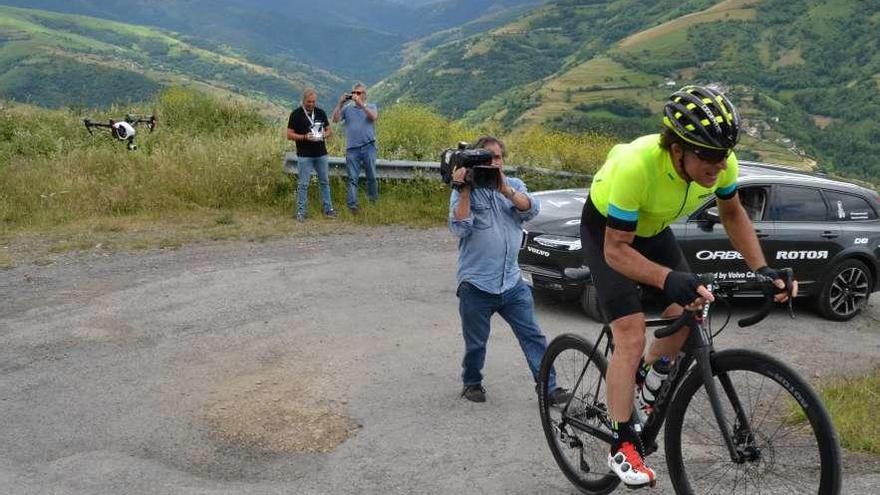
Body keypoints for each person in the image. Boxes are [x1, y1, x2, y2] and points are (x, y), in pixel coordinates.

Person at [579, 85, 797, 487]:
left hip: (654, 229)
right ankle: (621, 442)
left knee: (689, 307)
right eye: (708, 157)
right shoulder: (636, 166)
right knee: (628, 336)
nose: (717, 167)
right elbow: (616, 251)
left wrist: (762, 269)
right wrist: (665, 278)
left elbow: (732, 214)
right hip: (608, 234)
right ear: (677, 148)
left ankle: (646, 378)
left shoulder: (721, 164)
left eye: (723, 156)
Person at [449, 136, 569, 405]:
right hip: (476, 284)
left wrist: (505, 190)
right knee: (476, 342)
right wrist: (465, 191)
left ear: (504, 160)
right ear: (476, 161)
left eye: (498, 157)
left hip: (512, 281)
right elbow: (459, 227)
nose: (493, 162)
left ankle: (548, 389)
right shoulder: (464, 189)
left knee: (533, 335)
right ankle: (472, 383)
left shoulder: (514, 185)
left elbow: (531, 210)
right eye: (486, 157)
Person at [287, 88, 336, 221]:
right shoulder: (295, 114)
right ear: (303, 101)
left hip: (321, 153)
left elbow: (329, 130)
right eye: (308, 102)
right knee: (303, 184)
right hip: (304, 155)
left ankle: (328, 209)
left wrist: (322, 135)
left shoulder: (320, 112)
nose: (311, 104)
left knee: (325, 182)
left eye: (313, 101)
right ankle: (301, 212)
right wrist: (304, 137)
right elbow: (289, 134)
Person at [331, 82, 379, 213]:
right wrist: (340, 103)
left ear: (364, 95)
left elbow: (373, 117)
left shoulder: (371, 106)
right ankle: (352, 206)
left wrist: (362, 105)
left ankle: (373, 202)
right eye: (353, 93)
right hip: (352, 149)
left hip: (368, 147)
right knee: (352, 178)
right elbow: (335, 119)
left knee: (372, 176)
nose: (355, 95)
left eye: (358, 93)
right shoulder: (347, 109)